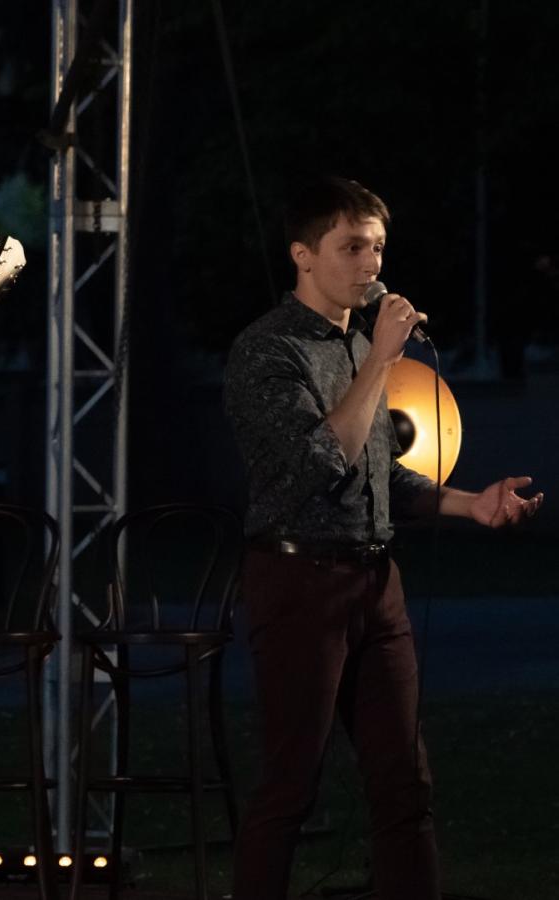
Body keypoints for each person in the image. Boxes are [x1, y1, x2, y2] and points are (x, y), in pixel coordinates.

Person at [223, 176, 543, 900]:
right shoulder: (267, 352)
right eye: (352, 247)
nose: (371, 264)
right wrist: (379, 364)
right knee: (291, 783)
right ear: (304, 254)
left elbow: (379, 473)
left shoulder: (363, 347)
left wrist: (470, 504)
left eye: (377, 247)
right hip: (300, 582)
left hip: (376, 581)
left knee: (404, 781)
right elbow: (319, 460)